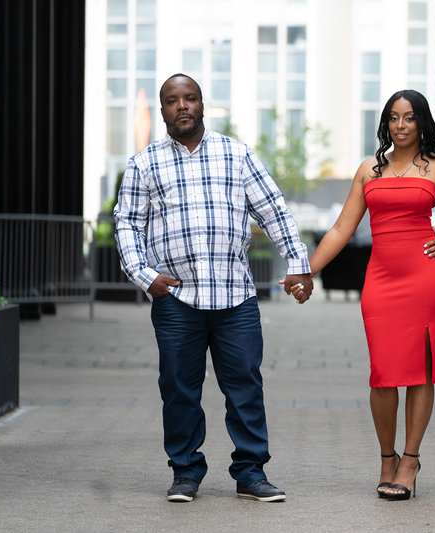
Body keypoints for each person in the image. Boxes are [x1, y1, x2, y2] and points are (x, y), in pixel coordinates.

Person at [114, 73, 312, 503]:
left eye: (190, 98)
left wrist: (299, 266)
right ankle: (185, 472)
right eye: (172, 100)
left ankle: (251, 473)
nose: (182, 106)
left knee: (244, 385)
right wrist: (145, 276)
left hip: (234, 297)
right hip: (176, 300)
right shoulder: (144, 163)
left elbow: (274, 211)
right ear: (164, 110)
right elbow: (127, 223)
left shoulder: (236, 155)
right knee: (179, 389)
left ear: (203, 105)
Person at [299, 89, 435, 500]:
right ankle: (386, 458)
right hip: (381, 280)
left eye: (409, 117)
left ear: (422, 122)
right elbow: (340, 229)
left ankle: (409, 460)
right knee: (384, 372)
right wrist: (307, 270)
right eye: (393, 117)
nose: (401, 125)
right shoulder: (369, 169)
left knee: (420, 370)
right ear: (386, 123)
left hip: (427, 277)